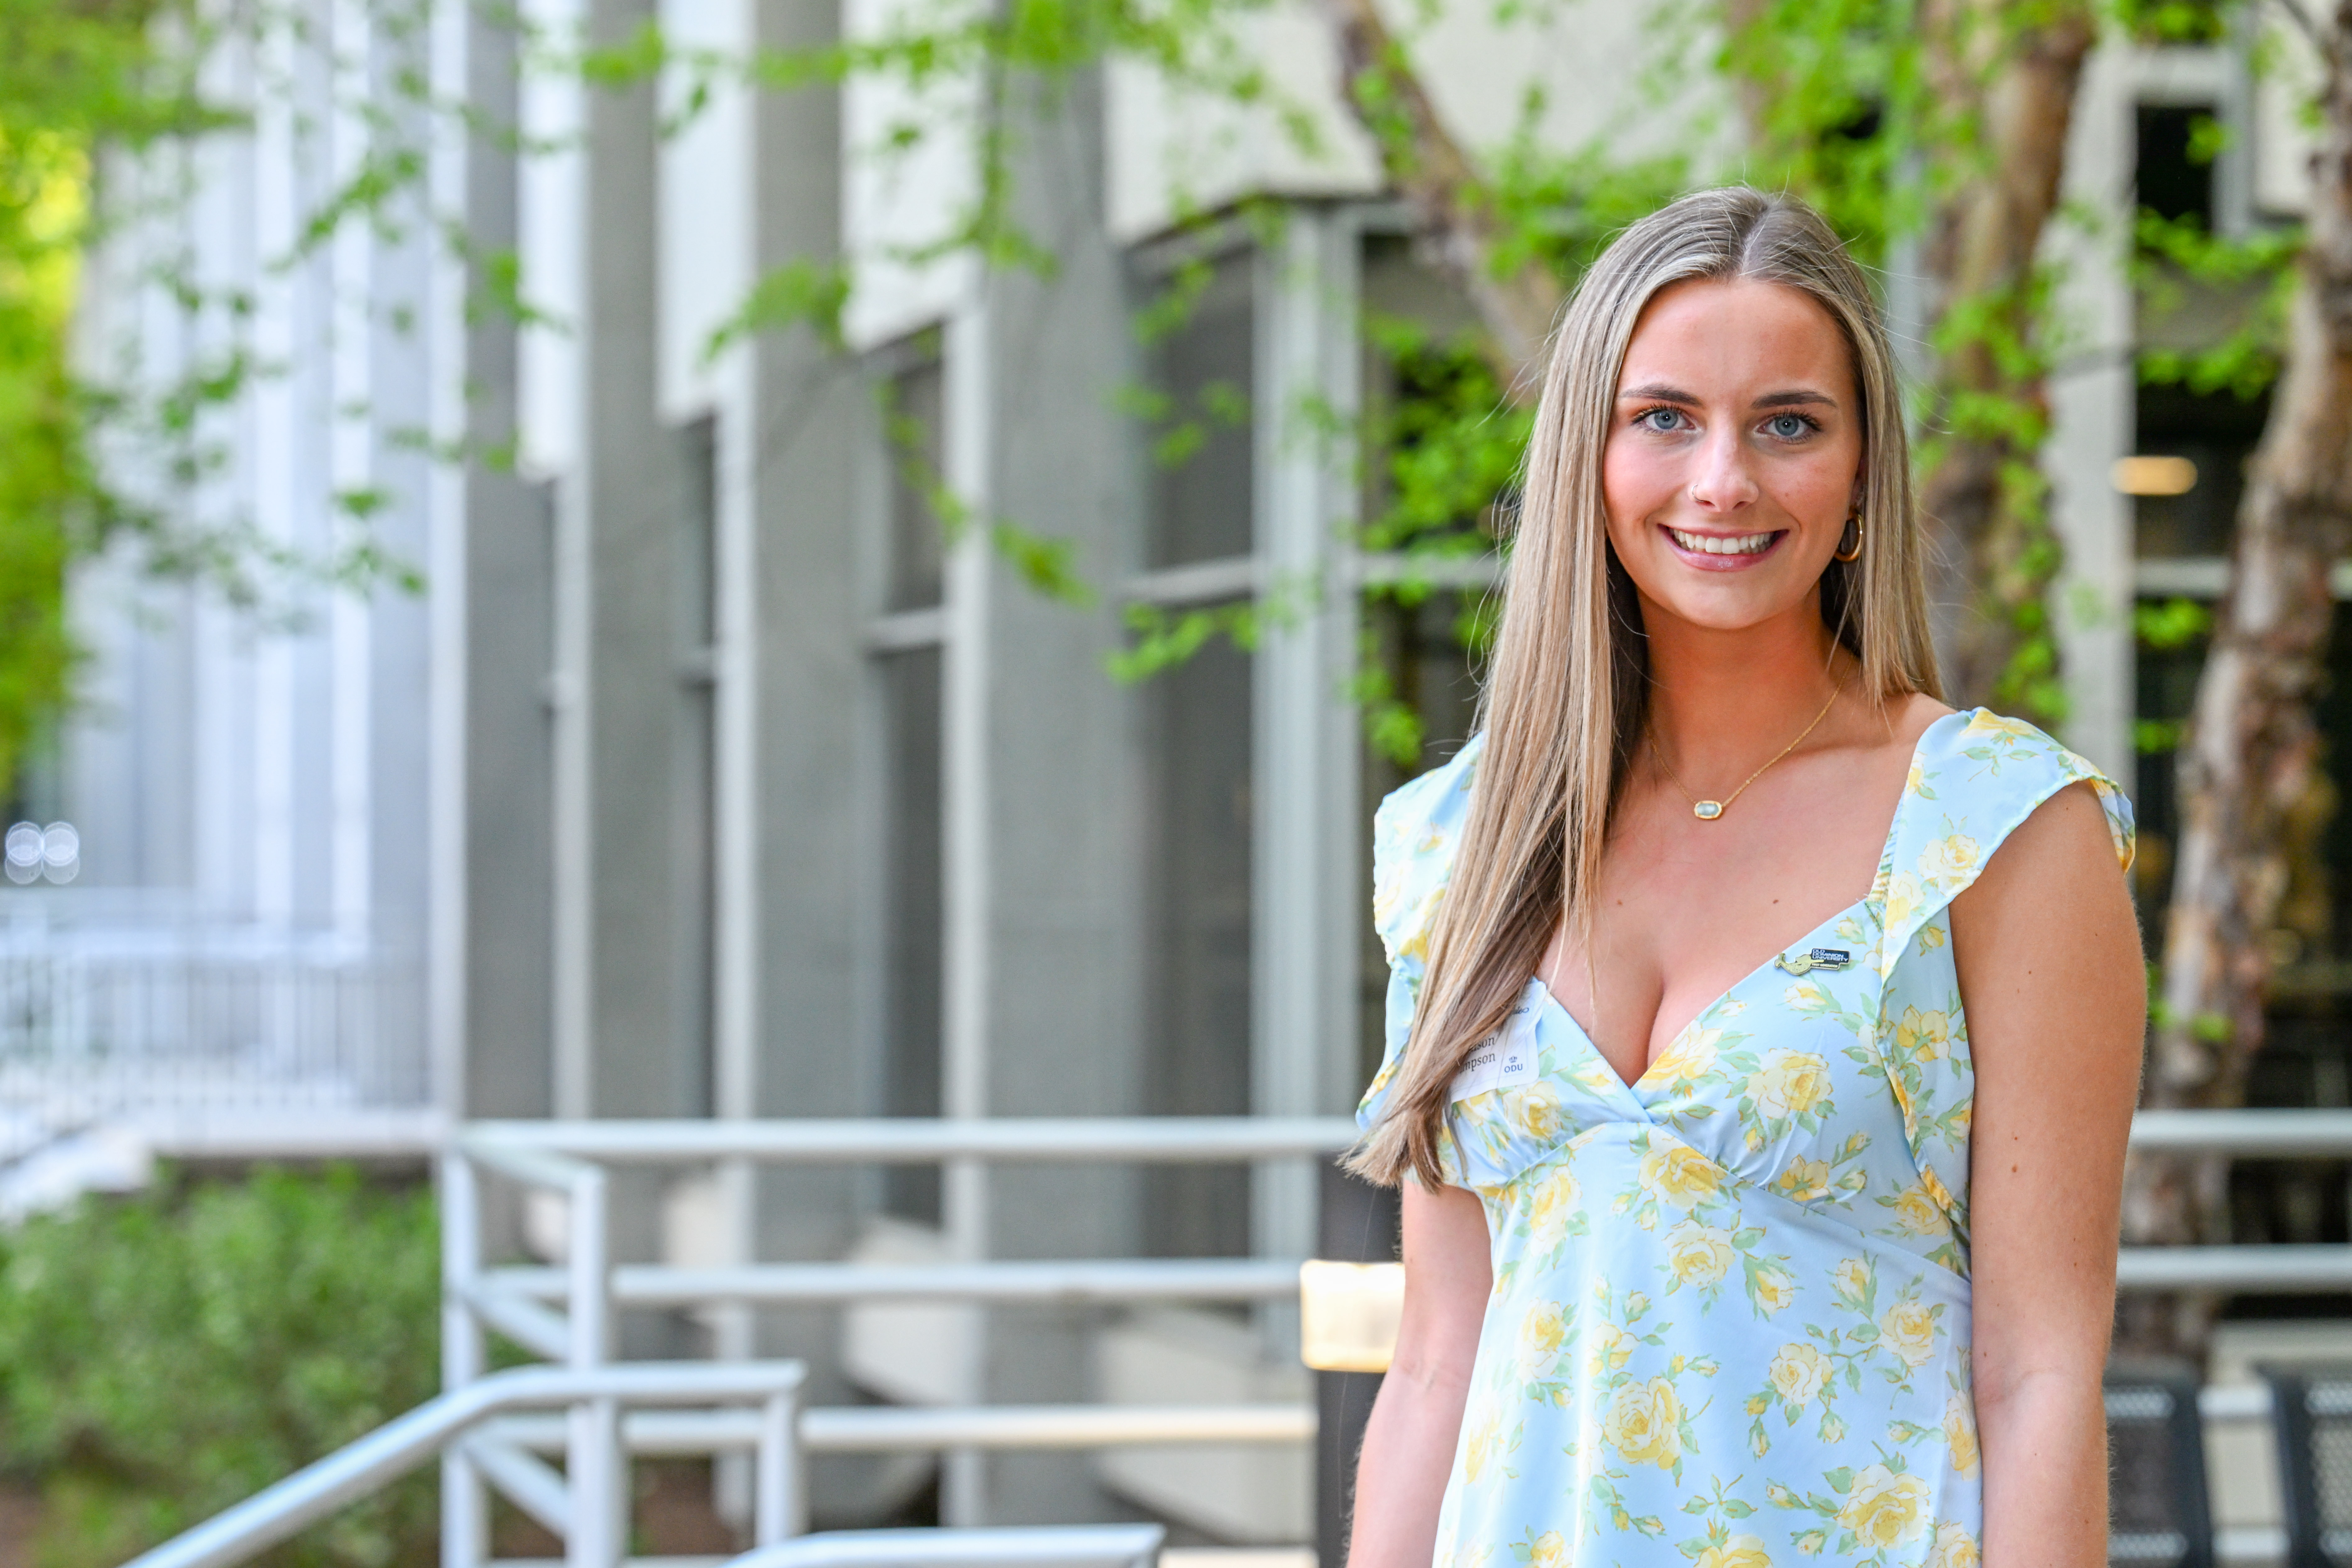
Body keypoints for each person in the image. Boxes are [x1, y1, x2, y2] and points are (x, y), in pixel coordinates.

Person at [1344, 187, 2144, 1566]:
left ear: (1856, 475)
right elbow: (1432, 1363)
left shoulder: (1996, 825)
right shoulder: (1453, 840)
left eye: (1787, 421)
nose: (1724, 479)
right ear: (1583, 459)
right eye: (1663, 417)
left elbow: (2040, 1377)